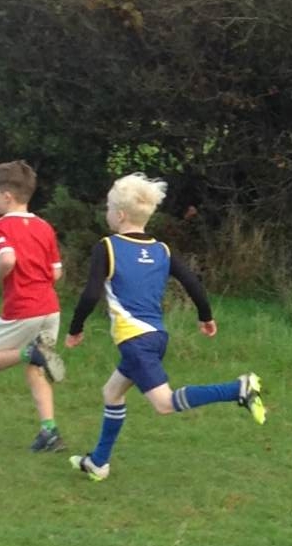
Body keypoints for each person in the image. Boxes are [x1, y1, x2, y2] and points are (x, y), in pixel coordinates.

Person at [64, 172, 265, 482]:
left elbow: (91, 294)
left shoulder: (107, 247)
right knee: (112, 392)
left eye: (109, 208)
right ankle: (98, 462)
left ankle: (238, 389)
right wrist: (205, 316)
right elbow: (192, 282)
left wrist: (75, 328)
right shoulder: (162, 250)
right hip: (156, 337)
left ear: (120, 215)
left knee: (164, 404)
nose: (107, 213)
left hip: (135, 342)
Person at [0, 160, 67, 451]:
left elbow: (7, 260)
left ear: (7, 196)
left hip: (22, 307)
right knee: (35, 370)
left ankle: (31, 351)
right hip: (50, 308)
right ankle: (49, 433)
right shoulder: (44, 227)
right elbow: (56, 273)